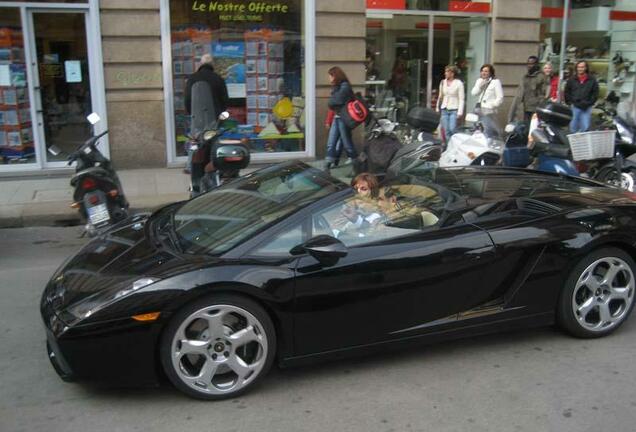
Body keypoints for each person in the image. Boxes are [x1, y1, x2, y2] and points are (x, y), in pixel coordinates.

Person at [326, 66, 358, 168]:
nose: (329, 79)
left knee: (346, 142)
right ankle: (328, 162)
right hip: (337, 117)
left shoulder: (345, 86)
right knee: (331, 142)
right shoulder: (338, 87)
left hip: (343, 118)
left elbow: (335, 101)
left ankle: (355, 161)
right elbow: (333, 104)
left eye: (330, 76)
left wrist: (331, 102)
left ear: (335, 76)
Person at [508, 56, 547, 129]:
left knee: (534, 130)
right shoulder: (525, 77)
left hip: (536, 109)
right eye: (528, 63)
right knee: (526, 128)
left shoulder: (541, 77)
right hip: (526, 108)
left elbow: (544, 93)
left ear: (536, 64)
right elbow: (519, 94)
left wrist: (540, 104)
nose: (529, 66)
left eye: (531, 64)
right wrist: (514, 110)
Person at [564, 60, 599, 133]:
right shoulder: (572, 79)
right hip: (575, 105)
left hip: (586, 106)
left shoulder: (592, 80)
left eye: (582, 67)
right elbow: (567, 92)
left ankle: (582, 143)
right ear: (576, 68)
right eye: (579, 67)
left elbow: (595, 93)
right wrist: (570, 102)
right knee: (573, 127)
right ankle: (573, 143)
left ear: (586, 68)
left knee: (585, 127)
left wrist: (590, 102)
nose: (580, 69)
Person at [471, 63, 504, 137]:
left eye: (486, 71)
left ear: (490, 73)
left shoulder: (495, 82)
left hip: (488, 110)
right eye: (482, 71)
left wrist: (492, 105)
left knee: (487, 129)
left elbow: (500, 97)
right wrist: (480, 86)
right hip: (478, 108)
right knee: (477, 129)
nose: (483, 73)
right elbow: (473, 93)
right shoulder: (479, 81)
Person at [436, 65, 465, 143]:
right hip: (444, 108)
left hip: (454, 109)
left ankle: (456, 144)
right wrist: (437, 107)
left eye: (447, 72)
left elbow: (461, 98)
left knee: (452, 129)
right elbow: (440, 95)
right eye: (445, 71)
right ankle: (449, 147)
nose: (445, 73)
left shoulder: (459, 83)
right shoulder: (442, 82)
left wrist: (460, 112)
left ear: (452, 73)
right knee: (446, 131)